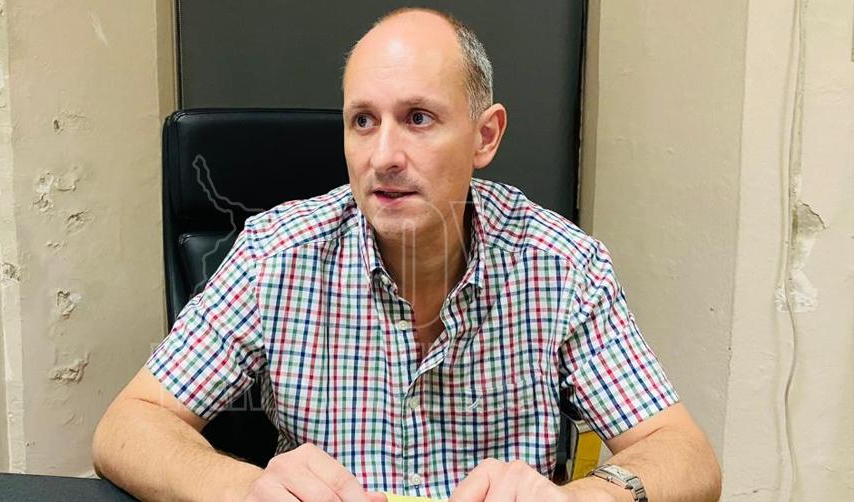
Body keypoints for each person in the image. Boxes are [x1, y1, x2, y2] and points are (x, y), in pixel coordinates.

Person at [93, 7, 721, 502]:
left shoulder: (559, 265)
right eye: (363, 121)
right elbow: (129, 425)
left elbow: (684, 454)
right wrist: (245, 489)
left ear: (485, 136)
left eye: (418, 118)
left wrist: (581, 497)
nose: (383, 156)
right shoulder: (276, 254)